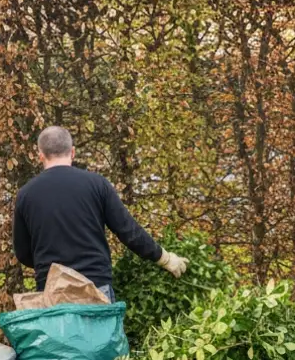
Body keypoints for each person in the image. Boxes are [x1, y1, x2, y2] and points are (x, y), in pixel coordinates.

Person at [12, 126, 187, 302]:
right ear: (72, 152)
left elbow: (23, 253)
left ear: (40, 154)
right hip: (95, 286)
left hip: (52, 290)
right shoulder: (97, 185)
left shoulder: (26, 195)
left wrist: (52, 268)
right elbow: (128, 231)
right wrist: (164, 258)